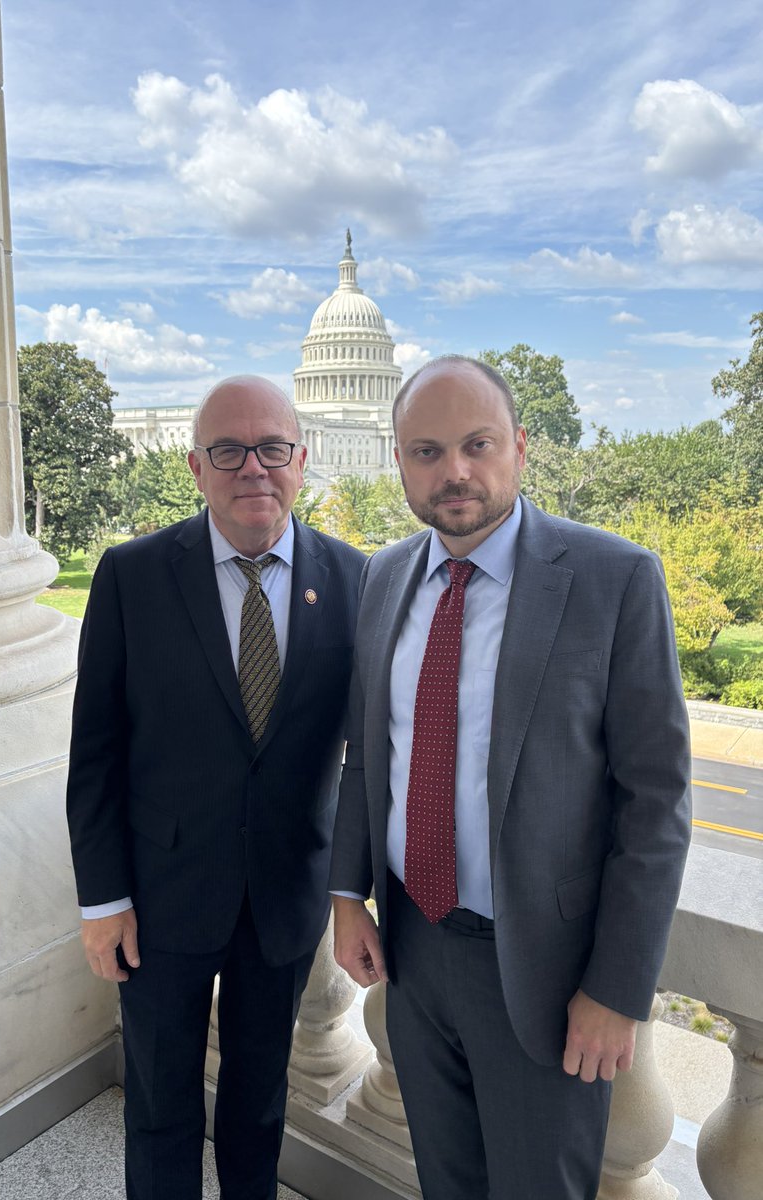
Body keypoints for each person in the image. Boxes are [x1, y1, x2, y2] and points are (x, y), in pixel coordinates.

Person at [329, 356, 691, 1199]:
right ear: (400, 463)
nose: (453, 471)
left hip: (546, 972)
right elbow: (368, 754)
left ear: (520, 448)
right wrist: (348, 896)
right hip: (413, 951)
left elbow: (658, 802)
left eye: (476, 444)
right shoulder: (383, 577)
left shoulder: (614, 578)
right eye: (426, 451)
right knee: (447, 1182)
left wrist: (616, 987)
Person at [66, 376, 365, 1200]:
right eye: (228, 451)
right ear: (196, 467)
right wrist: (101, 901)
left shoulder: (355, 581)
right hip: (160, 901)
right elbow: (94, 753)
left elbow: (371, 760)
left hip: (285, 901)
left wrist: (353, 892)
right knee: (160, 1105)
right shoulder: (130, 576)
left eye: (272, 449)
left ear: (302, 461)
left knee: (260, 1104)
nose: (253, 470)